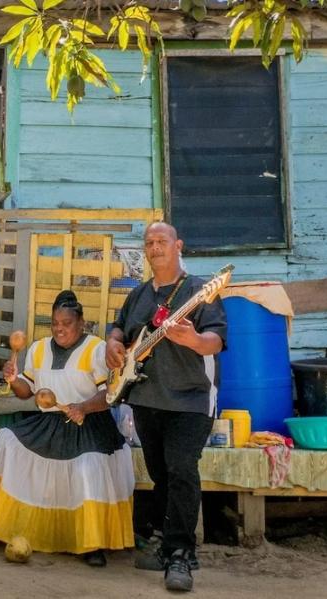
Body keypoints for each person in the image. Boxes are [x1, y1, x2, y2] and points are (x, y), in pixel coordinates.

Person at [105, 222, 227, 592]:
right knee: (160, 473)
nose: (155, 247)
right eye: (149, 242)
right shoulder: (139, 295)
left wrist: (192, 338)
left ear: (178, 246)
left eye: (162, 241)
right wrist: (112, 345)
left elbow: (215, 342)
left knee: (181, 470)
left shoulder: (200, 292)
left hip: (190, 399)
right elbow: (120, 329)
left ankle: (180, 553)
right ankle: (164, 538)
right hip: (146, 398)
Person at [0, 290, 134, 566]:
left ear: (81, 323)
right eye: (55, 323)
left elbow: (109, 394)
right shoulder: (37, 348)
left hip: (89, 424)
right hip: (50, 423)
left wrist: (81, 408)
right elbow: (28, 392)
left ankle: (91, 544)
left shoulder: (95, 349)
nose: (59, 329)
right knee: (7, 438)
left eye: (66, 323)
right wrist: (12, 380)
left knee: (88, 465)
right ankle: (9, 525)